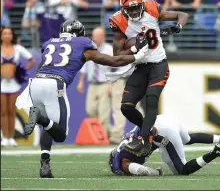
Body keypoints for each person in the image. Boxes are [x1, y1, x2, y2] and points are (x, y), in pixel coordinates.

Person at [18, 19, 149, 178]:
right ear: (79, 34)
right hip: (55, 83)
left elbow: (43, 66)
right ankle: (40, 118)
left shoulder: (50, 42)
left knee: (48, 124)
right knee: (60, 134)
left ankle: (45, 165)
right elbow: (114, 61)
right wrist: (137, 56)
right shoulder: (82, 44)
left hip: (36, 82)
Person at [108, 0, 189, 156]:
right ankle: (150, 131)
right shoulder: (119, 22)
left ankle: (144, 141)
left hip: (159, 64)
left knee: (151, 99)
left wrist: (177, 27)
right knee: (126, 107)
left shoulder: (152, 8)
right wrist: (133, 49)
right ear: (123, 9)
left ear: (143, 4)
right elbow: (117, 56)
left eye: (136, 7)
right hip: (140, 67)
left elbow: (182, 15)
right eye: (129, 9)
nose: (134, 11)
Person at [109, 114, 220, 176]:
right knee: (188, 139)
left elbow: (138, 169)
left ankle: (215, 152)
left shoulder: (123, 162)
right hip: (166, 119)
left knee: (182, 170)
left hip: (162, 132)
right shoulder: (126, 140)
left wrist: (157, 172)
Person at [1, 27, 36, 147]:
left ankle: (11, 138)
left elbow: (32, 60)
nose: (7, 36)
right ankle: (5, 137)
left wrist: (22, 71)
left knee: (11, 111)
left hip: (14, 85)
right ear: (1, 36)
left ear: (12, 35)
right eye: (4, 33)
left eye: (9, 33)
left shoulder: (17, 48)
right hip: (2, 84)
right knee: (3, 112)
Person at [77, 27, 113, 136]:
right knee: (90, 110)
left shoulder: (109, 50)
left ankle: (105, 136)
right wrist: (81, 81)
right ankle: (98, 134)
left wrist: (112, 84)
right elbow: (84, 66)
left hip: (105, 83)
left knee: (103, 112)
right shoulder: (88, 49)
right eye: (94, 35)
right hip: (92, 84)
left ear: (103, 37)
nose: (94, 38)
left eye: (97, 36)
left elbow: (113, 68)